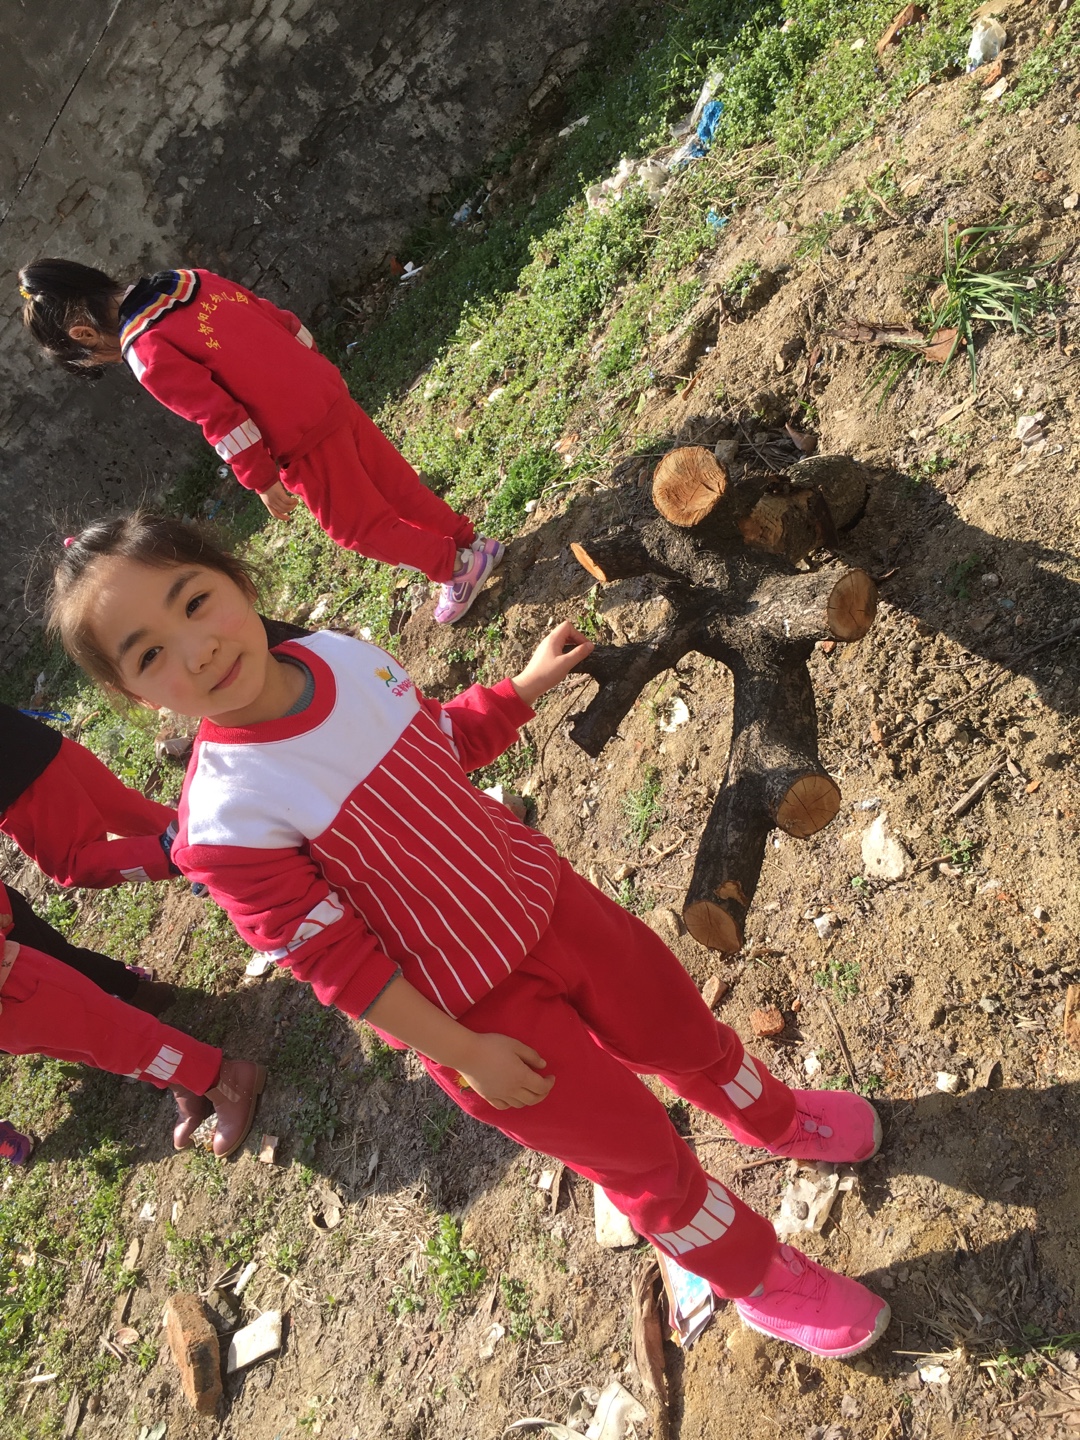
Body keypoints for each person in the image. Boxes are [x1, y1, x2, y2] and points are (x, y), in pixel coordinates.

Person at [50, 513, 892, 1360]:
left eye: (194, 601)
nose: (195, 650)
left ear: (237, 579)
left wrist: (519, 691)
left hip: (549, 900)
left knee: (682, 1028)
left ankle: (773, 1116)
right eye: (149, 654)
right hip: (477, 1018)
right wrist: (463, 1053)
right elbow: (336, 965)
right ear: (137, 697)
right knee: (641, 1158)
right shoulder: (226, 821)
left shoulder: (340, 656)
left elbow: (437, 741)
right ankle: (757, 1277)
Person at [19, 259, 504, 624]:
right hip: (327, 394)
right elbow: (276, 317)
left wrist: (261, 479)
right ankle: (472, 542)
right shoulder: (189, 279)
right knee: (396, 486)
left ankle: (455, 567)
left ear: (84, 335)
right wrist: (311, 368)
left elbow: (219, 415)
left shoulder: (145, 348)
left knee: (356, 527)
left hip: (300, 437)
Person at [0, 886, 264, 1158]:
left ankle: (224, 1079)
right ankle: (184, 1081)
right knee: (99, 1053)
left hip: (11, 981)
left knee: (118, 1037)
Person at [1, 699, 178, 1011]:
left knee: (75, 862)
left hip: (17, 786)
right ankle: (224, 840)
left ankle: (180, 854)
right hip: (35, 741)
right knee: (127, 810)